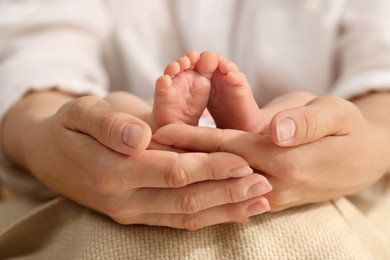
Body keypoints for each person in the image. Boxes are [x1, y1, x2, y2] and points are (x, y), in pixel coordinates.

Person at [0, 0, 390, 259]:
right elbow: (35, 65)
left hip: (329, 188)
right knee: (120, 118)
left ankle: (239, 130)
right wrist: (48, 134)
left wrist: (368, 140)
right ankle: (153, 128)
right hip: (105, 181)